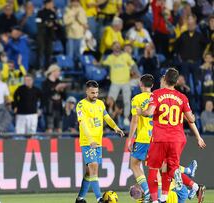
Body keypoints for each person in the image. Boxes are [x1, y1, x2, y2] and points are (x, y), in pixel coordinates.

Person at [137, 68, 206, 203]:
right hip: (178, 139)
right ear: (176, 82)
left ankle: (156, 200)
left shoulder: (156, 94)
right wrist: (198, 136)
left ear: (165, 79)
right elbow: (191, 119)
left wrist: (141, 111)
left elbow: (150, 112)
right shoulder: (182, 97)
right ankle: (167, 194)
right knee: (168, 167)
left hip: (160, 138)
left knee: (153, 169)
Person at [75, 80, 124, 203]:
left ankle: (80, 198)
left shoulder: (101, 104)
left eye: (96, 92)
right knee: (94, 168)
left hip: (98, 142)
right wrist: (90, 140)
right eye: (92, 93)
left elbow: (106, 117)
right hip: (88, 142)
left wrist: (116, 127)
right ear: (86, 91)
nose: (95, 95)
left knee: (89, 172)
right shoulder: (81, 105)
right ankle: (99, 199)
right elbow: (83, 124)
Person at [127, 74, 154, 202]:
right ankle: (157, 197)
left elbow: (135, 120)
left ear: (140, 85)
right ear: (152, 85)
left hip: (143, 137)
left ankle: (147, 191)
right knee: (156, 169)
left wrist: (130, 139)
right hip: (157, 138)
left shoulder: (137, 99)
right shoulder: (157, 97)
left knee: (134, 164)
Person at [102, 42, 137, 126]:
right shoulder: (110, 57)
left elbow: (133, 65)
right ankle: (109, 115)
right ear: (112, 48)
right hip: (115, 82)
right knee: (110, 99)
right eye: (115, 46)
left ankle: (126, 117)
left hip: (126, 82)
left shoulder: (125, 56)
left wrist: (136, 73)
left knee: (127, 101)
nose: (117, 47)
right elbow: (103, 63)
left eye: (118, 46)